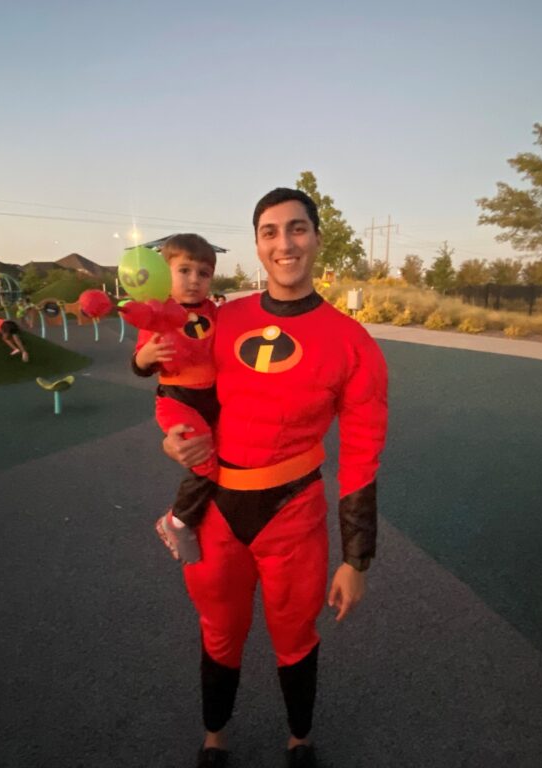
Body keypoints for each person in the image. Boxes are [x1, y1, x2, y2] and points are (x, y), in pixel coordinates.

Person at [162, 188, 388, 768]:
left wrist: (355, 559)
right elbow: (183, 386)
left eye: (296, 229)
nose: (284, 243)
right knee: (218, 631)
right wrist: (173, 436)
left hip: (293, 513)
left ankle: (299, 740)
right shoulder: (223, 319)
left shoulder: (353, 343)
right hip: (218, 511)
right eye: (269, 231)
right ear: (258, 244)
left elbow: (362, 454)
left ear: (316, 236)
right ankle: (215, 739)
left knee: (296, 638)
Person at [130, 234, 219, 564]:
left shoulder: (212, 310)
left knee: (224, 458)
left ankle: (206, 519)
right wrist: (147, 355)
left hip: (213, 397)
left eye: (203, 273)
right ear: (164, 272)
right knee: (206, 460)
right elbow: (140, 365)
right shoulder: (156, 313)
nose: (194, 280)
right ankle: (177, 520)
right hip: (177, 400)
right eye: (184, 270)